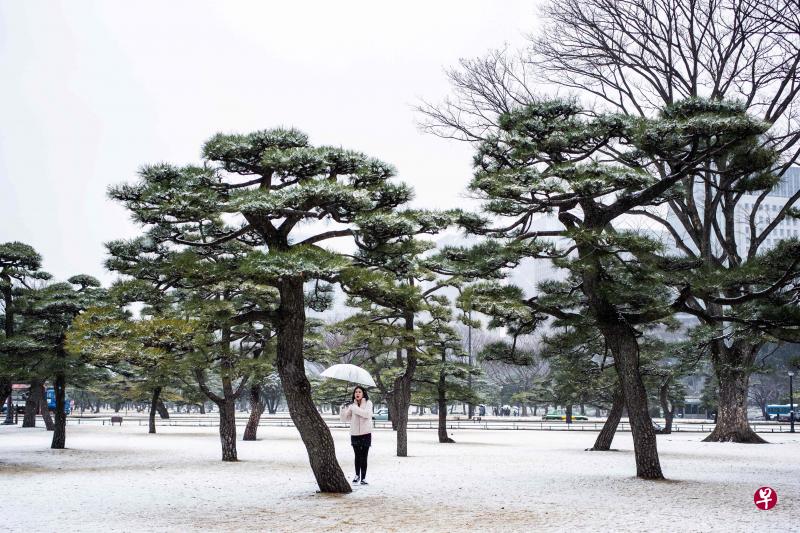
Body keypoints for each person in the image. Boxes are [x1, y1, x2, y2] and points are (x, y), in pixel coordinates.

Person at [340, 385, 373, 485]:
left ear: (363, 393)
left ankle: (363, 477)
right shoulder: (352, 405)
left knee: (364, 456)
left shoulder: (368, 403)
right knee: (357, 456)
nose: (357, 393)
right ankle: (356, 475)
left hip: (366, 433)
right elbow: (344, 419)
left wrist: (354, 408)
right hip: (354, 434)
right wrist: (342, 409)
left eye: (359, 392)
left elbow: (367, 414)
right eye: (355, 392)